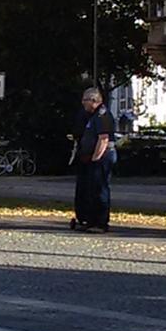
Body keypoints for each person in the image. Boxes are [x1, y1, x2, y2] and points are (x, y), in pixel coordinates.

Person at [71, 87, 117, 232]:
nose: (83, 103)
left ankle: (101, 223)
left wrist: (95, 159)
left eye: (85, 100)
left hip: (102, 157)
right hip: (93, 157)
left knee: (100, 189)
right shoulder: (92, 115)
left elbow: (103, 139)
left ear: (93, 100)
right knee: (90, 190)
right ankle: (89, 220)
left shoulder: (102, 115)